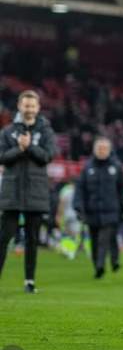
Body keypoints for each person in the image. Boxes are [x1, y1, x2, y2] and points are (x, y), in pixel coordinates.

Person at [0, 89, 56, 293]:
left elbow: (48, 156)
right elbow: (2, 157)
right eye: (26, 105)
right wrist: (20, 149)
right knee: (3, 239)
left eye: (32, 105)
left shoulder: (46, 131)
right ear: (19, 106)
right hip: (12, 192)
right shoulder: (7, 131)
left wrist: (30, 146)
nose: (29, 109)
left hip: (35, 192)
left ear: (38, 108)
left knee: (32, 240)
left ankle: (29, 281)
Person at [75, 136, 123, 278]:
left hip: (111, 211)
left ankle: (100, 265)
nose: (102, 151)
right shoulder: (88, 167)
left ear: (110, 150)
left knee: (103, 239)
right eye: (99, 148)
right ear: (94, 149)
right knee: (94, 240)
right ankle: (98, 265)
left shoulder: (116, 166)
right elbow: (80, 188)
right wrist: (79, 206)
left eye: (104, 148)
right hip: (92, 211)